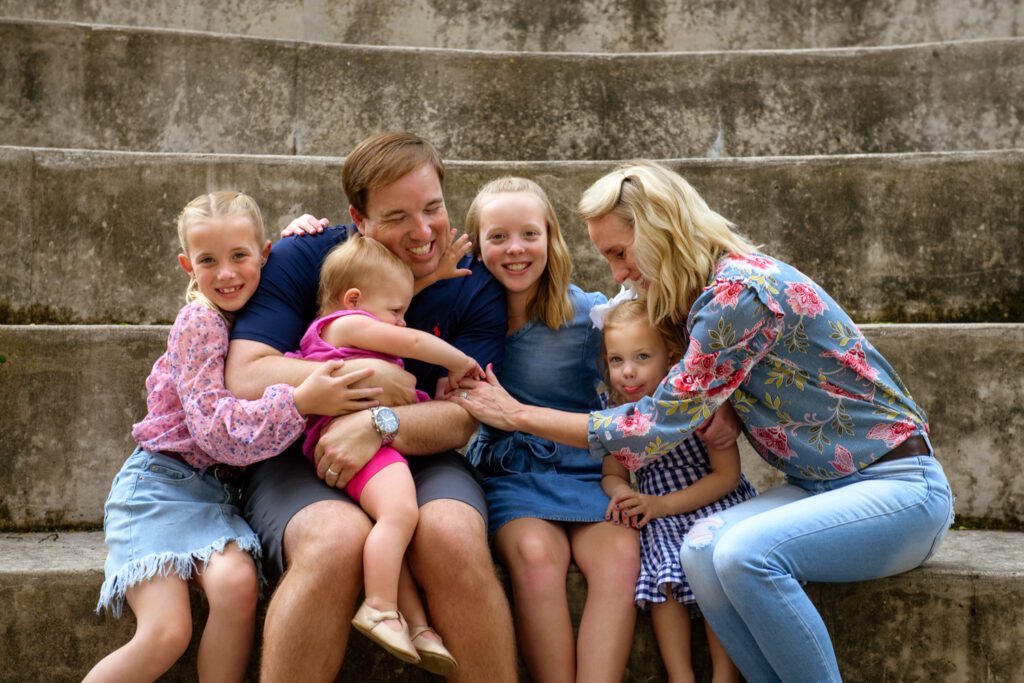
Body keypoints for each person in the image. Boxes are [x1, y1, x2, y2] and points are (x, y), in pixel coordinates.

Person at [452, 160, 955, 683]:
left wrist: (517, 415)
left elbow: (652, 426)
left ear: (660, 232)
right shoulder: (701, 291)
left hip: (899, 487)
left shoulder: (738, 293)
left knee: (743, 555)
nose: (618, 274)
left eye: (620, 254)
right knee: (699, 550)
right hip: (818, 487)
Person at [224, 132, 517, 682]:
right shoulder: (304, 257)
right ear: (358, 217)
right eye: (398, 216)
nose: (425, 231)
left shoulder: (473, 283)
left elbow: (464, 414)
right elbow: (245, 373)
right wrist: (365, 379)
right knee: (335, 541)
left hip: (418, 450)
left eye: (433, 208)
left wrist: (379, 423)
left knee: (450, 534)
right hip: (300, 450)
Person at [85, 192, 370, 682]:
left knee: (238, 585)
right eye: (208, 261)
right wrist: (300, 401)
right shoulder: (199, 321)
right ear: (186, 266)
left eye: (240, 256)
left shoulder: (260, 312)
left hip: (219, 496)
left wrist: (304, 239)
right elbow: (215, 430)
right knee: (167, 630)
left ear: (264, 253)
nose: (226, 273)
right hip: (161, 486)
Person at [461, 177, 640, 681]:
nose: (515, 249)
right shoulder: (465, 317)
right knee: (537, 556)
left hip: (587, 471)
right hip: (512, 472)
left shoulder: (590, 315)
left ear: (551, 239)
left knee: (621, 554)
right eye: (497, 237)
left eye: (529, 234)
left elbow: (654, 352)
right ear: (476, 246)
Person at [288, 234, 483, 672]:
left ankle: (414, 624)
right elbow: (412, 344)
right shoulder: (343, 323)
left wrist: (432, 275)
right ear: (353, 299)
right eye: (397, 313)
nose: (400, 321)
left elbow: (387, 299)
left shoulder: (355, 325)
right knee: (401, 516)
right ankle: (378, 608)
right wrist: (458, 361)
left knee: (397, 530)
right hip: (355, 443)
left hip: (359, 444)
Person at [597, 297, 752, 683]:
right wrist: (620, 492)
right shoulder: (614, 412)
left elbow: (726, 477)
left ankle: (723, 673)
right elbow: (611, 472)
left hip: (713, 504)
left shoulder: (696, 402)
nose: (627, 373)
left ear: (671, 357)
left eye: (642, 357)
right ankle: (679, 675)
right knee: (662, 579)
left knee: (714, 570)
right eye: (617, 361)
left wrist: (661, 504)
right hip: (658, 516)